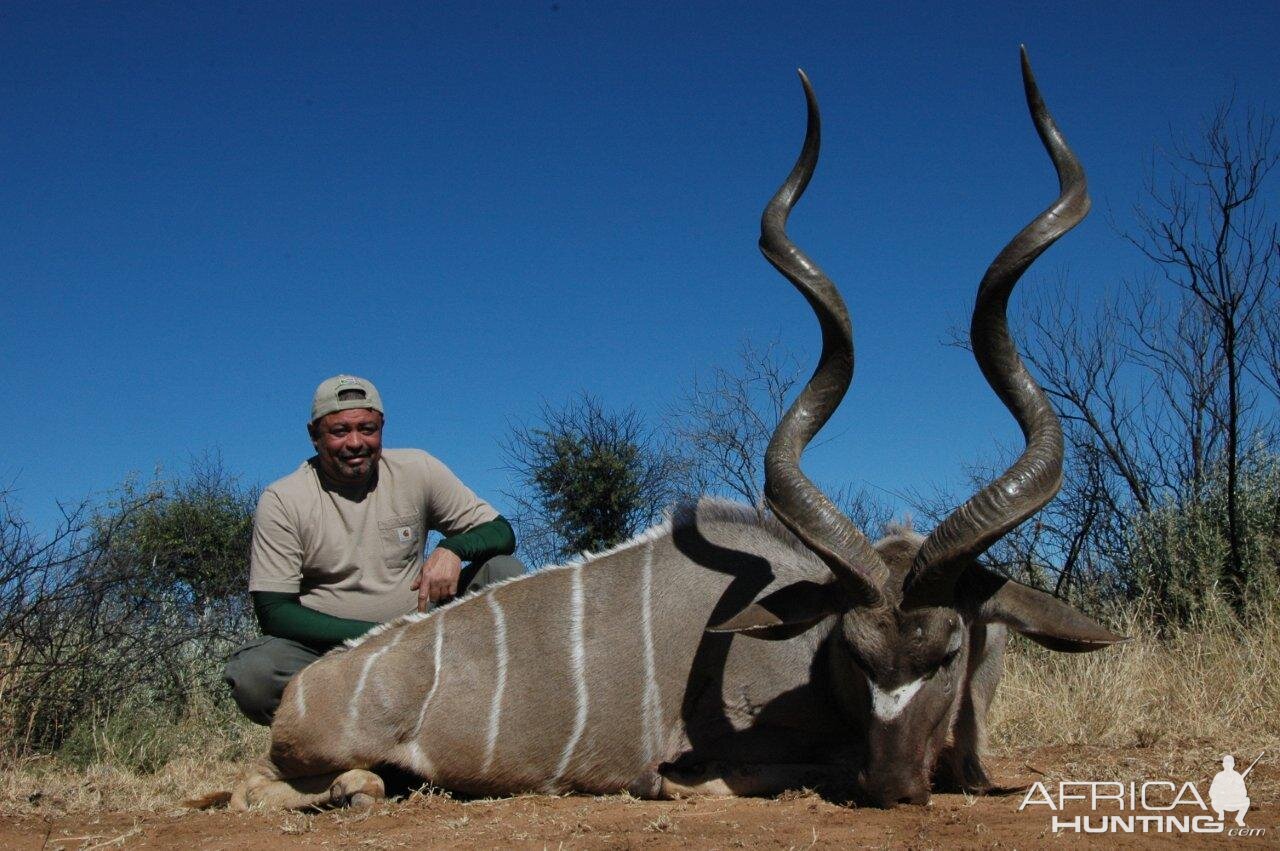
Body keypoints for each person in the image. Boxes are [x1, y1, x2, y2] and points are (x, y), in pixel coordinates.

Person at [224, 374, 523, 724]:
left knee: (504, 573)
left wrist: (453, 549)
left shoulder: (417, 469)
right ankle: (338, 750)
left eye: (367, 429)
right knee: (257, 673)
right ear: (314, 436)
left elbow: (502, 531)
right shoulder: (284, 499)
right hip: (335, 656)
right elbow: (274, 611)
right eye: (339, 431)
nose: (355, 442)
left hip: (425, 638)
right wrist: (378, 637)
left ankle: (481, 727)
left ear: (382, 427)